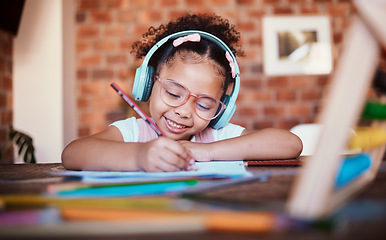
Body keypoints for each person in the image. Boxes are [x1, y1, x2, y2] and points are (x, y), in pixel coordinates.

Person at [62, 14, 302, 172]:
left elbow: (290, 144)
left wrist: (206, 151)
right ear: (148, 83)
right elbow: (73, 154)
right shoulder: (133, 133)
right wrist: (140, 156)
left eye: (205, 105)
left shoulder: (216, 137)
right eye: (174, 93)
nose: (184, 112)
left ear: (223, 108)